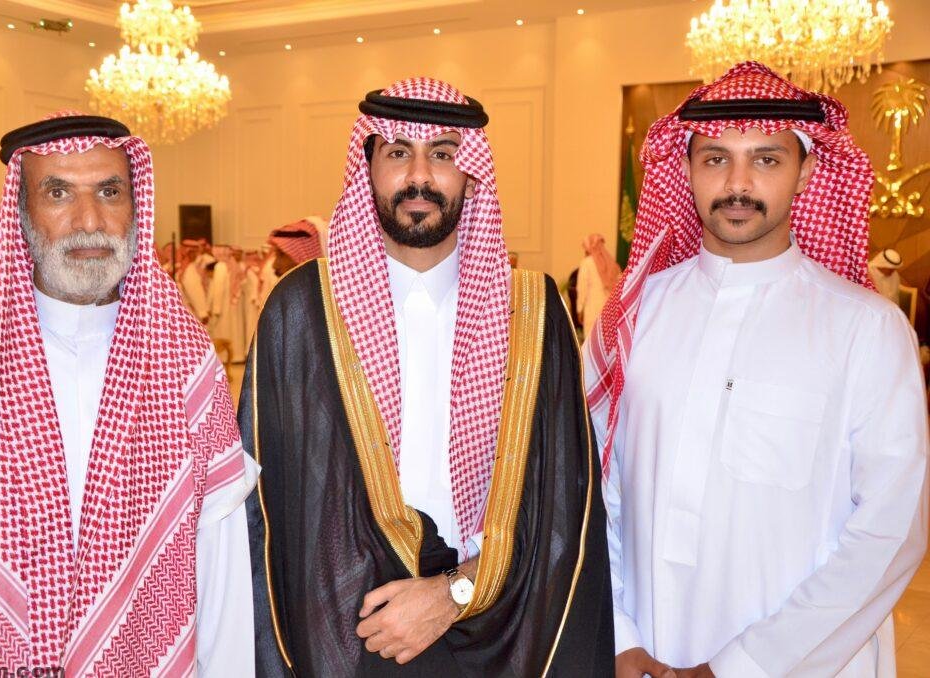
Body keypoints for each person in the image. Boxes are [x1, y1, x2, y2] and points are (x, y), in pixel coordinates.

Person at [240, 77, 613, 677]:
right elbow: (268, 510)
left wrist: (456, 592)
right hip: (346, 637)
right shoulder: (301, 310)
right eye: (397, 153)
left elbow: (564, 503)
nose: (419, 176)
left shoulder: (533, 312)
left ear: (471, 174)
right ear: (368, 168)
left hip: (502, 630)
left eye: (442, 154)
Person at [585, 61, 928, 678]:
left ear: (807, 171)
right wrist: (619, 635)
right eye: (716, 158)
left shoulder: (867, 329)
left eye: (766, 159)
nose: (737, 183)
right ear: (686, 168)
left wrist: (742, 666)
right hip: (644, 651)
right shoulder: (631, 316)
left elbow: (890, 531)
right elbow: (593, 489)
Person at [0, 113, 258, 673]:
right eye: (58, 193)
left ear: (135, 207)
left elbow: (221, 567)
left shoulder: (184, 361)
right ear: (20, 214)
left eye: (109, 192)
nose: (89, 221)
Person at [576, 234, 622, 329]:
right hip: (610, 310)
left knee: (591, 337)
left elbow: (582, 288)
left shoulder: (586, 263)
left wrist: (580, 309)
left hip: (592, 310)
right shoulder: (611, 262)